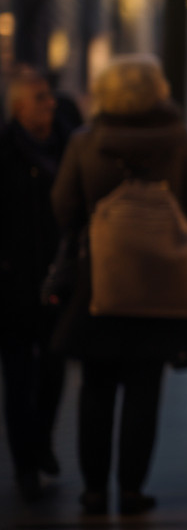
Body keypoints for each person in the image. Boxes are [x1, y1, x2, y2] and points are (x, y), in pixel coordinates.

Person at [50, 55, 187, 516]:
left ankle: (94, 489)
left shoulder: (85, 142)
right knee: (146, 388)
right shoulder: (180, 142)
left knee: (96, 387)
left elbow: (63, 206)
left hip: (99, 283)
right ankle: (132, 488)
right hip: (162, 284)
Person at [0, 68, 70, 502]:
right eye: (41, 98)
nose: (50, 104)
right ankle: (25, 463)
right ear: (20, 106)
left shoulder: (66, 145)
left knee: (55, 366)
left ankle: (42, 439)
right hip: (12, 281)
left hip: (56, 275)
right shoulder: (5, 152)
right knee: (17, 375)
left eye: (49, 97)